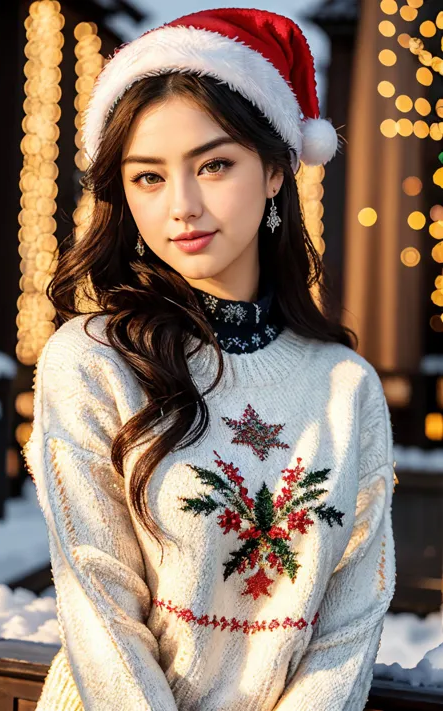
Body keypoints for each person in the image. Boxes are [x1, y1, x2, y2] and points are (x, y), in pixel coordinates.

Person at [23, 7, 397, 710]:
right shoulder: (93, 362)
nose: (182, 207)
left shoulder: (344, 386)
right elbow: (97, 599)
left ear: (278, 171)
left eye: (215, 164)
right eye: (148, 178)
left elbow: (352, 619)